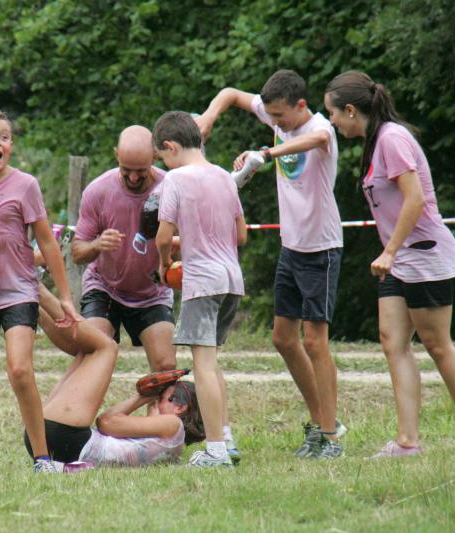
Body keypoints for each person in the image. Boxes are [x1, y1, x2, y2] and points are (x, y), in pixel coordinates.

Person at [324, 70, 455, 457]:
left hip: (423, 253)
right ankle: (407, 442)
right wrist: (393, 255)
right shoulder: (377, 141)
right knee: (392, 341)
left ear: (350, 110)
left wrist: (390, 251)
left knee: (437, 344)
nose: (330, 121)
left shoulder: (392, 138)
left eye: (332, 113)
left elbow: (414, 199)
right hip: (400, 260)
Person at [196, 69, 345, 459]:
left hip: (321, 249)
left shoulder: (320, 127)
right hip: (291, 246)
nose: (274, 122)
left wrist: (267, 152)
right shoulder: (278, 113)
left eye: (280, 117)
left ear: (300, 105)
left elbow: (315, 139)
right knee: (283, 338)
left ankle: (331, 437)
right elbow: (230, 92)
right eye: (271, 116)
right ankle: (319, 422)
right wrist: (208, 117)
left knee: (315, 342)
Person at [0, 110, 80, 475]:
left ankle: (43, 459)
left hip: (19, 291)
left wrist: (64, 297)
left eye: (4, 137)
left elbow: (48, 242)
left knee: (20, 370)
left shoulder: (25, 185)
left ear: (11, 146)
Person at [153, 111, 246, 467]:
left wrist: (164, 262)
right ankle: (227, 438)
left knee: (202, 365)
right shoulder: (224, 176)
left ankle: (216, 451)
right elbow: (241, 235)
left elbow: (163, 236)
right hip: (230, 280)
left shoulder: (175, 180)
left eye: (163, 157)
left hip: (202, 281)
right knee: (212, 363)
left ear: (170, 147)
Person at [25, 285, 204, 467]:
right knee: (85, 350)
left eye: (163, 397)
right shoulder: (171, 443)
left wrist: (142, 397)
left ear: (180, 408)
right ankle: (27, 293)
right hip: (60, 441)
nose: (156, 401)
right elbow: (107, 420)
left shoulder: (173, 425)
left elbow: (106, 422)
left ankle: (35, 285)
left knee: (106, 347)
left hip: (67, 440)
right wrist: (145, 396)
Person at [70, 126, 176, 373]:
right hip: (105, 288)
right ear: (116, 155)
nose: (134, 178)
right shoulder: (98, 191)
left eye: (141, 171)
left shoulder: (171, 189)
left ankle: (158, 413)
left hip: (153, 293)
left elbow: (189, 244)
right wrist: (97, 244)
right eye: (126, 170)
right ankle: (77, 411)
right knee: (91, 354)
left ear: (155, 158)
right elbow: (77, 252)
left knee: (166, 366)